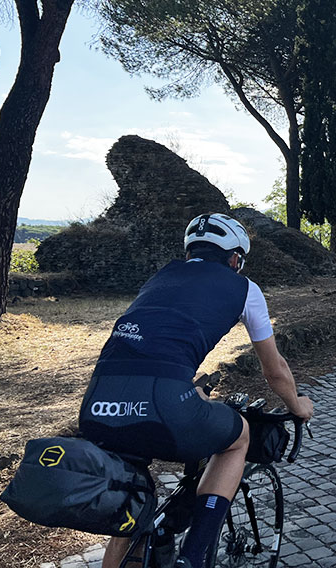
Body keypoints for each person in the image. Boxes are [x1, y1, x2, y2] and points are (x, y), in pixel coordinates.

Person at [78, 213, 314, 568]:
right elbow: (275, 370)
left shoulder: (161, 277)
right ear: (235, 259)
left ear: (192, 251)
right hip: (164, 400)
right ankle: (194, 556)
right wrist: (297, 404)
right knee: (239, 438)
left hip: (98, 404)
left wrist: (188, 387)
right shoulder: (244, 288)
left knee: (135, 510)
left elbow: (151, 348)